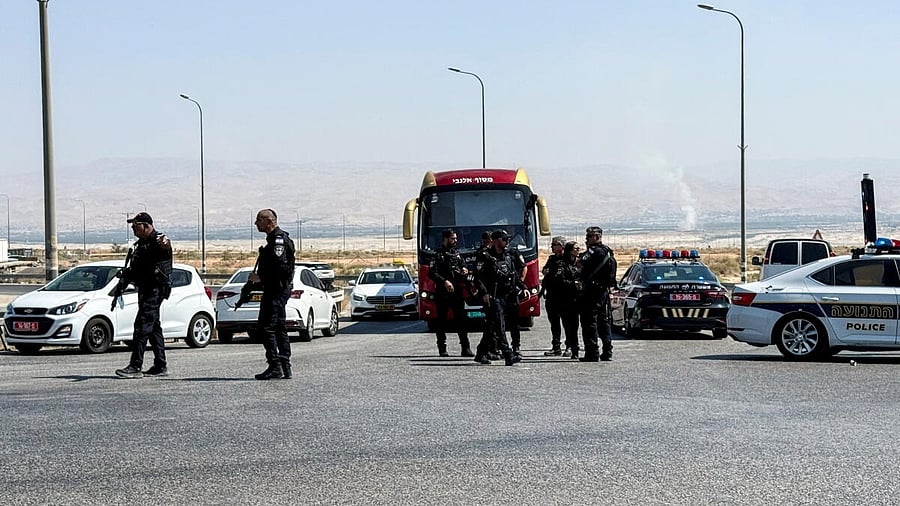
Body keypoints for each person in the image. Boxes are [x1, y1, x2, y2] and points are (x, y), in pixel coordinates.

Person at [115, 212, 173, 379]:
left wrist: (165, 243)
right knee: (154, 327)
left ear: (146, 226)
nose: (133, 228)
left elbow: (165, 245)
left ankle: (135, 365)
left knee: (142, 325)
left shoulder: (158, 240)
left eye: (136, 225)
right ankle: (160, 365)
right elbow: (138, 268)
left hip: (155, 289)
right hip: (145, 288)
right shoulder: (140, 244)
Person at [250, 209, 297, 380]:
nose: (256, 223)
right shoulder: (274, 240)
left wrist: (260, 278)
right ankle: (284, 366)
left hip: (276, 290)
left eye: (259, 220)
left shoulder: (278, 241)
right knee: (278, 327)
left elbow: (281, 269)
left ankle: (276, 365)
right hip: (275, 289)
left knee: (267, 328)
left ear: (270, 221)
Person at [472, 229, 524, 366]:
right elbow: (477, 277)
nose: (506, 241)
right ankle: (508, 354)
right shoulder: (485, 256)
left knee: (491, 326)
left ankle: (480, 353)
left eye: (507, 239)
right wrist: (484, 293)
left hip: (507, 295)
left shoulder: (508, 255)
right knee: (500, 326)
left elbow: (513, 274)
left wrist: (523, 287)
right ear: (495, 241)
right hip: (493, 296)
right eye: (503, 239)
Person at [427, 229, 473, 357]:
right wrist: (445, 281)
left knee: (462, 320)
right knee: (441, 321)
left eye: (456, 238)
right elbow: (432, 273)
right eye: (453, 238)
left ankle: (466, 348)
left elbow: (464, 266)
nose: (455, 241)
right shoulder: (437, 255)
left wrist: (464, 269)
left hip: (457, 292)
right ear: (446, 239)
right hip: (442, 293)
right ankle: (442, 348)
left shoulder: (457, 254)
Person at [577, 226, 616, 362]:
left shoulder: (594, 251)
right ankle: (607, 351)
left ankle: (592, 352)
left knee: (589, 322)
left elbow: (580, 263)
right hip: (603, 291)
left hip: (592, 292)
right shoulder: (608, 251)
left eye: (589, 237)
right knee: (603, 322)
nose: (586, 239)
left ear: (597, 237)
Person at [541, 236, 567, 356]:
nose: (552, 247)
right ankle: (556, 347)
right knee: (554, 323)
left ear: (561, 246)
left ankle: (570, 346)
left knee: (568, 323)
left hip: (564, 296)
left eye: (554, 244)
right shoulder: (552, 259)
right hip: (552, 295)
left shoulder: (568, 259)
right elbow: (545, 270)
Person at [559, 241, 583, 359]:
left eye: (579, 248)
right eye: (575, 248)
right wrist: (574, 284)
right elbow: (560, 281)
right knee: (570, 326)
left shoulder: (581, 263)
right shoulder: (563, 264)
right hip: (566, 299)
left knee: (580, 325)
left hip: (580, 298)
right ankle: (573, 348)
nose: (578, 250)